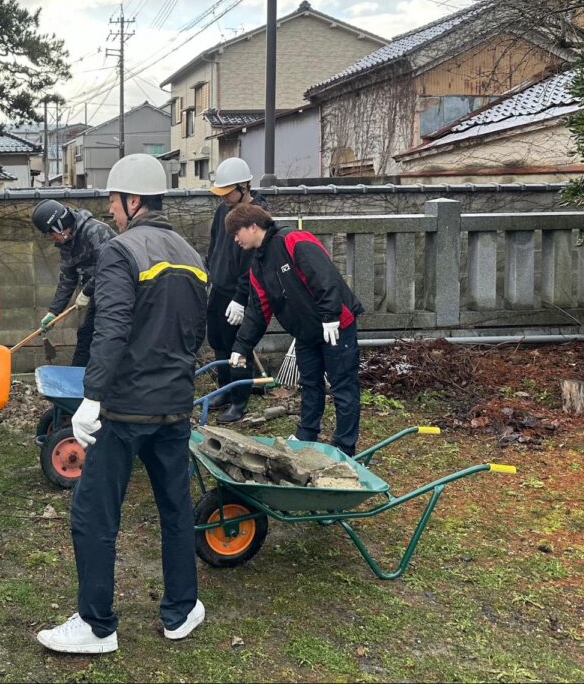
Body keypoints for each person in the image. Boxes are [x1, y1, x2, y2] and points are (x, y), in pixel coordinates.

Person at [37, 153, 208, 656]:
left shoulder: (120, 251)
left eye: (113, 201)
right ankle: (181, 610)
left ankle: (97, 626)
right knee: (175, 508)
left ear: (133, 200)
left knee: (93, 512)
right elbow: (193, 334)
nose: (110, 211)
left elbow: (110, 329)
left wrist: (91, 397)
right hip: (174, 406)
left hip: (124, 409)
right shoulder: (192, 256)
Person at [226, 202, 365, 455]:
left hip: (335, 326)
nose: (235, 239)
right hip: (305, 332)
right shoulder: (257, 265)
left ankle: (345, 446)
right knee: (310, 384)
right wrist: (242, 345)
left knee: (343, 386)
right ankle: (306, 435)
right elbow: (259, 309)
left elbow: (324, 275)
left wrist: (330, 314)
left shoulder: (293, 239)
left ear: (253, 226)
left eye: (237, 232)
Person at [203, 157, 268, 423]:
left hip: (241, 294)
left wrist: (241, 297)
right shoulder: (222, 211)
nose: (224, 197)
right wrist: (209, 273)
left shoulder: (257, 216)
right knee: (219, 341)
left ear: (243, 187)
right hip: (219, 288)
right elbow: (214, 245)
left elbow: (254, 262)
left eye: (227, 191)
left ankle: (239, 400)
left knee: (238, 348)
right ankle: (224, 391)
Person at [31, 199, 114, 367]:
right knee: (85, 336)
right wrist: (53, 312)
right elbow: (68, 278)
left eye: (50, 233)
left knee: (107, 336)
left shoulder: (96, 231)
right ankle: (77, 377)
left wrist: (87, 291)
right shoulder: (67, 244)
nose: (51, 237)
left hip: (116, 294)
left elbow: (109, 266)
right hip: (95, 295)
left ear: (59, 226)